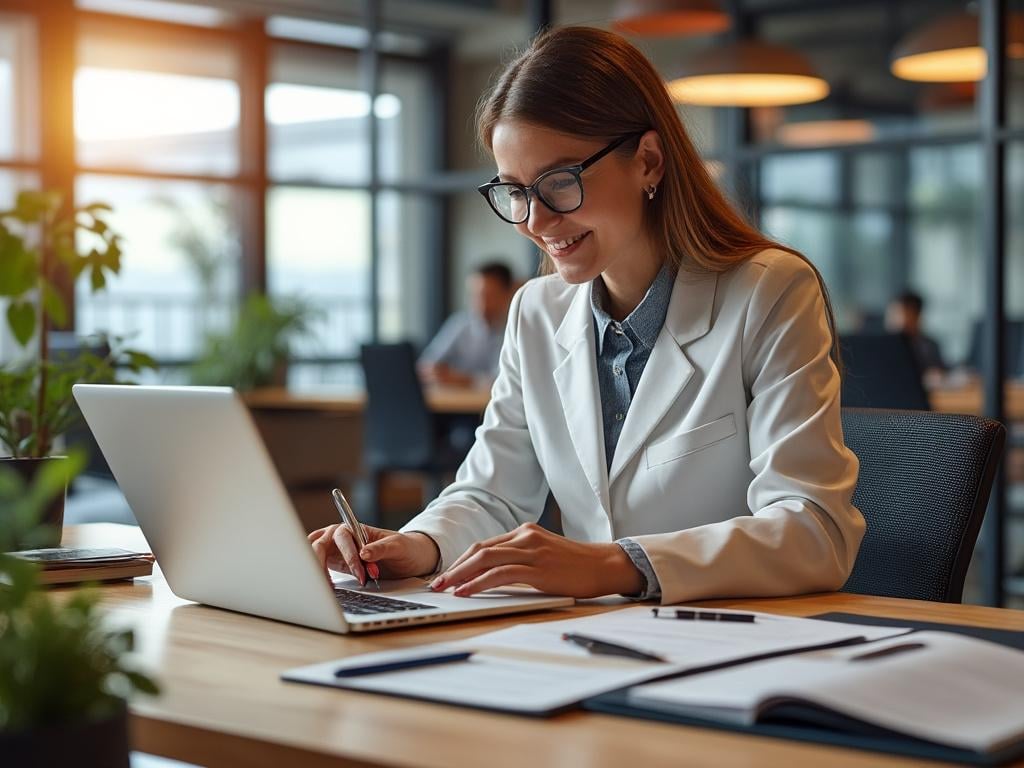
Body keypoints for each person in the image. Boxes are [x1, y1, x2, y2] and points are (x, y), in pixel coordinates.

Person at [310, 26, 864, 605]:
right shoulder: (536, 312)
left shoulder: (769, 292)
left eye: (560, 182)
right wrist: (418, 543)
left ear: (647, 161)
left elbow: (813, 530)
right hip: (589, 640)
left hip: (734, 643)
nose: (535, 222)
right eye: (516, 190)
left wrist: (615, 566)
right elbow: (493, 495)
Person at [418, 261, 516, 388]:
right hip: (454, 403)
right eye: (475, 295)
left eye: (488, 295)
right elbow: (426, 366)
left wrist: (462, 379)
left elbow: (504, 381)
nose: (481, 303)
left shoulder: (516, 329)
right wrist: (436, 373)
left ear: (507, 294)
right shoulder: (459, 325)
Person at [885, 290, 947, 375]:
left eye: (898, 314)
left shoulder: (929, 346)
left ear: (917, 316)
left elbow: (940, 372)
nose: (891, 320)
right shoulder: (882, 346)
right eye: (890, 314)